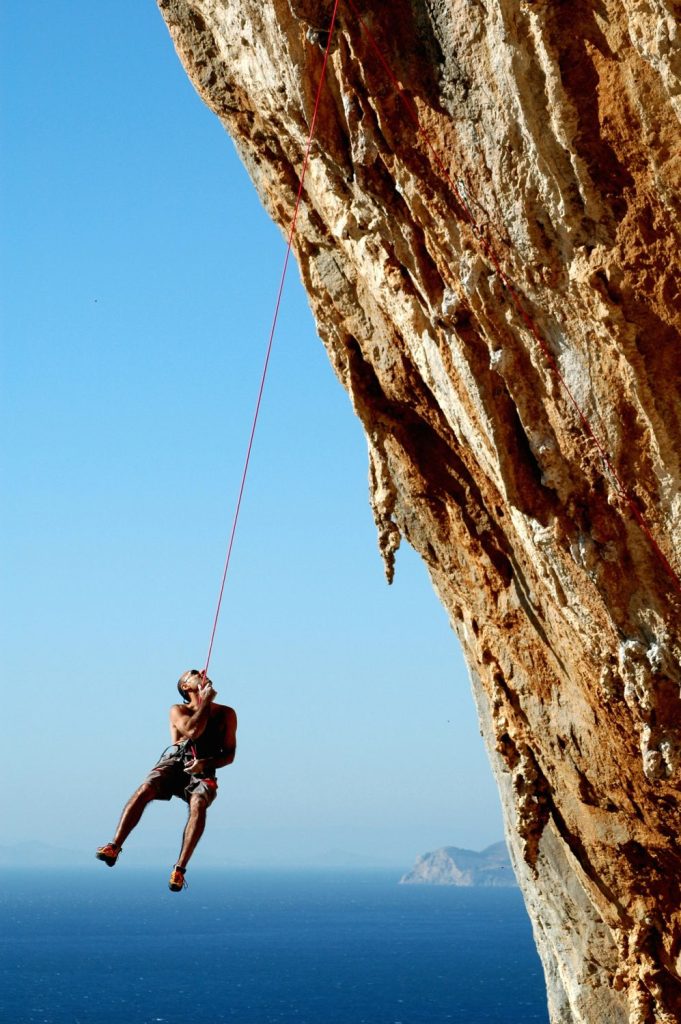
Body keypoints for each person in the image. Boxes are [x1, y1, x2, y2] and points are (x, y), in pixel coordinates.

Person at [95, 669, 237, 891]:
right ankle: (114, 846)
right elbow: (192, 731)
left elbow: (229, 755)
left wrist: (205, 764)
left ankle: (179, 869)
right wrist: (206, 702)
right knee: (146, 788)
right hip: (176, 760)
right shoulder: (178, 710)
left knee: (199, 803)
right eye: (193, 673)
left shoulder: (226, 714)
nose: (201, 672)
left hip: (203, 766)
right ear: (186, 687)